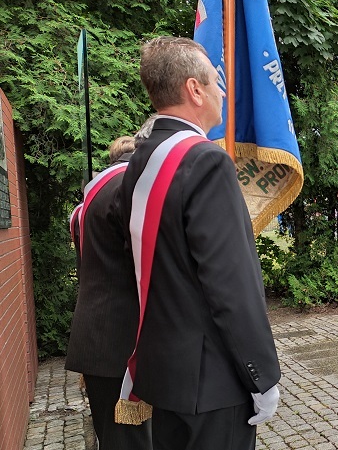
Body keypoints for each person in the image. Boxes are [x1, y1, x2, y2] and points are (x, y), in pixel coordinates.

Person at [119, 36, 281, 449]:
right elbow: (231, 282)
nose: (222, 91)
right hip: (213, 382)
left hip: (164, 375)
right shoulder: (205, 160)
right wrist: (262, 376)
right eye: (215, 81)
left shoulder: (140, 161)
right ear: (194, 89)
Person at [65, 136, 152, 450]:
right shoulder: (126, 191)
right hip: (121, 341)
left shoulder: (90, 199)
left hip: (95, 337)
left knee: (114, 439)